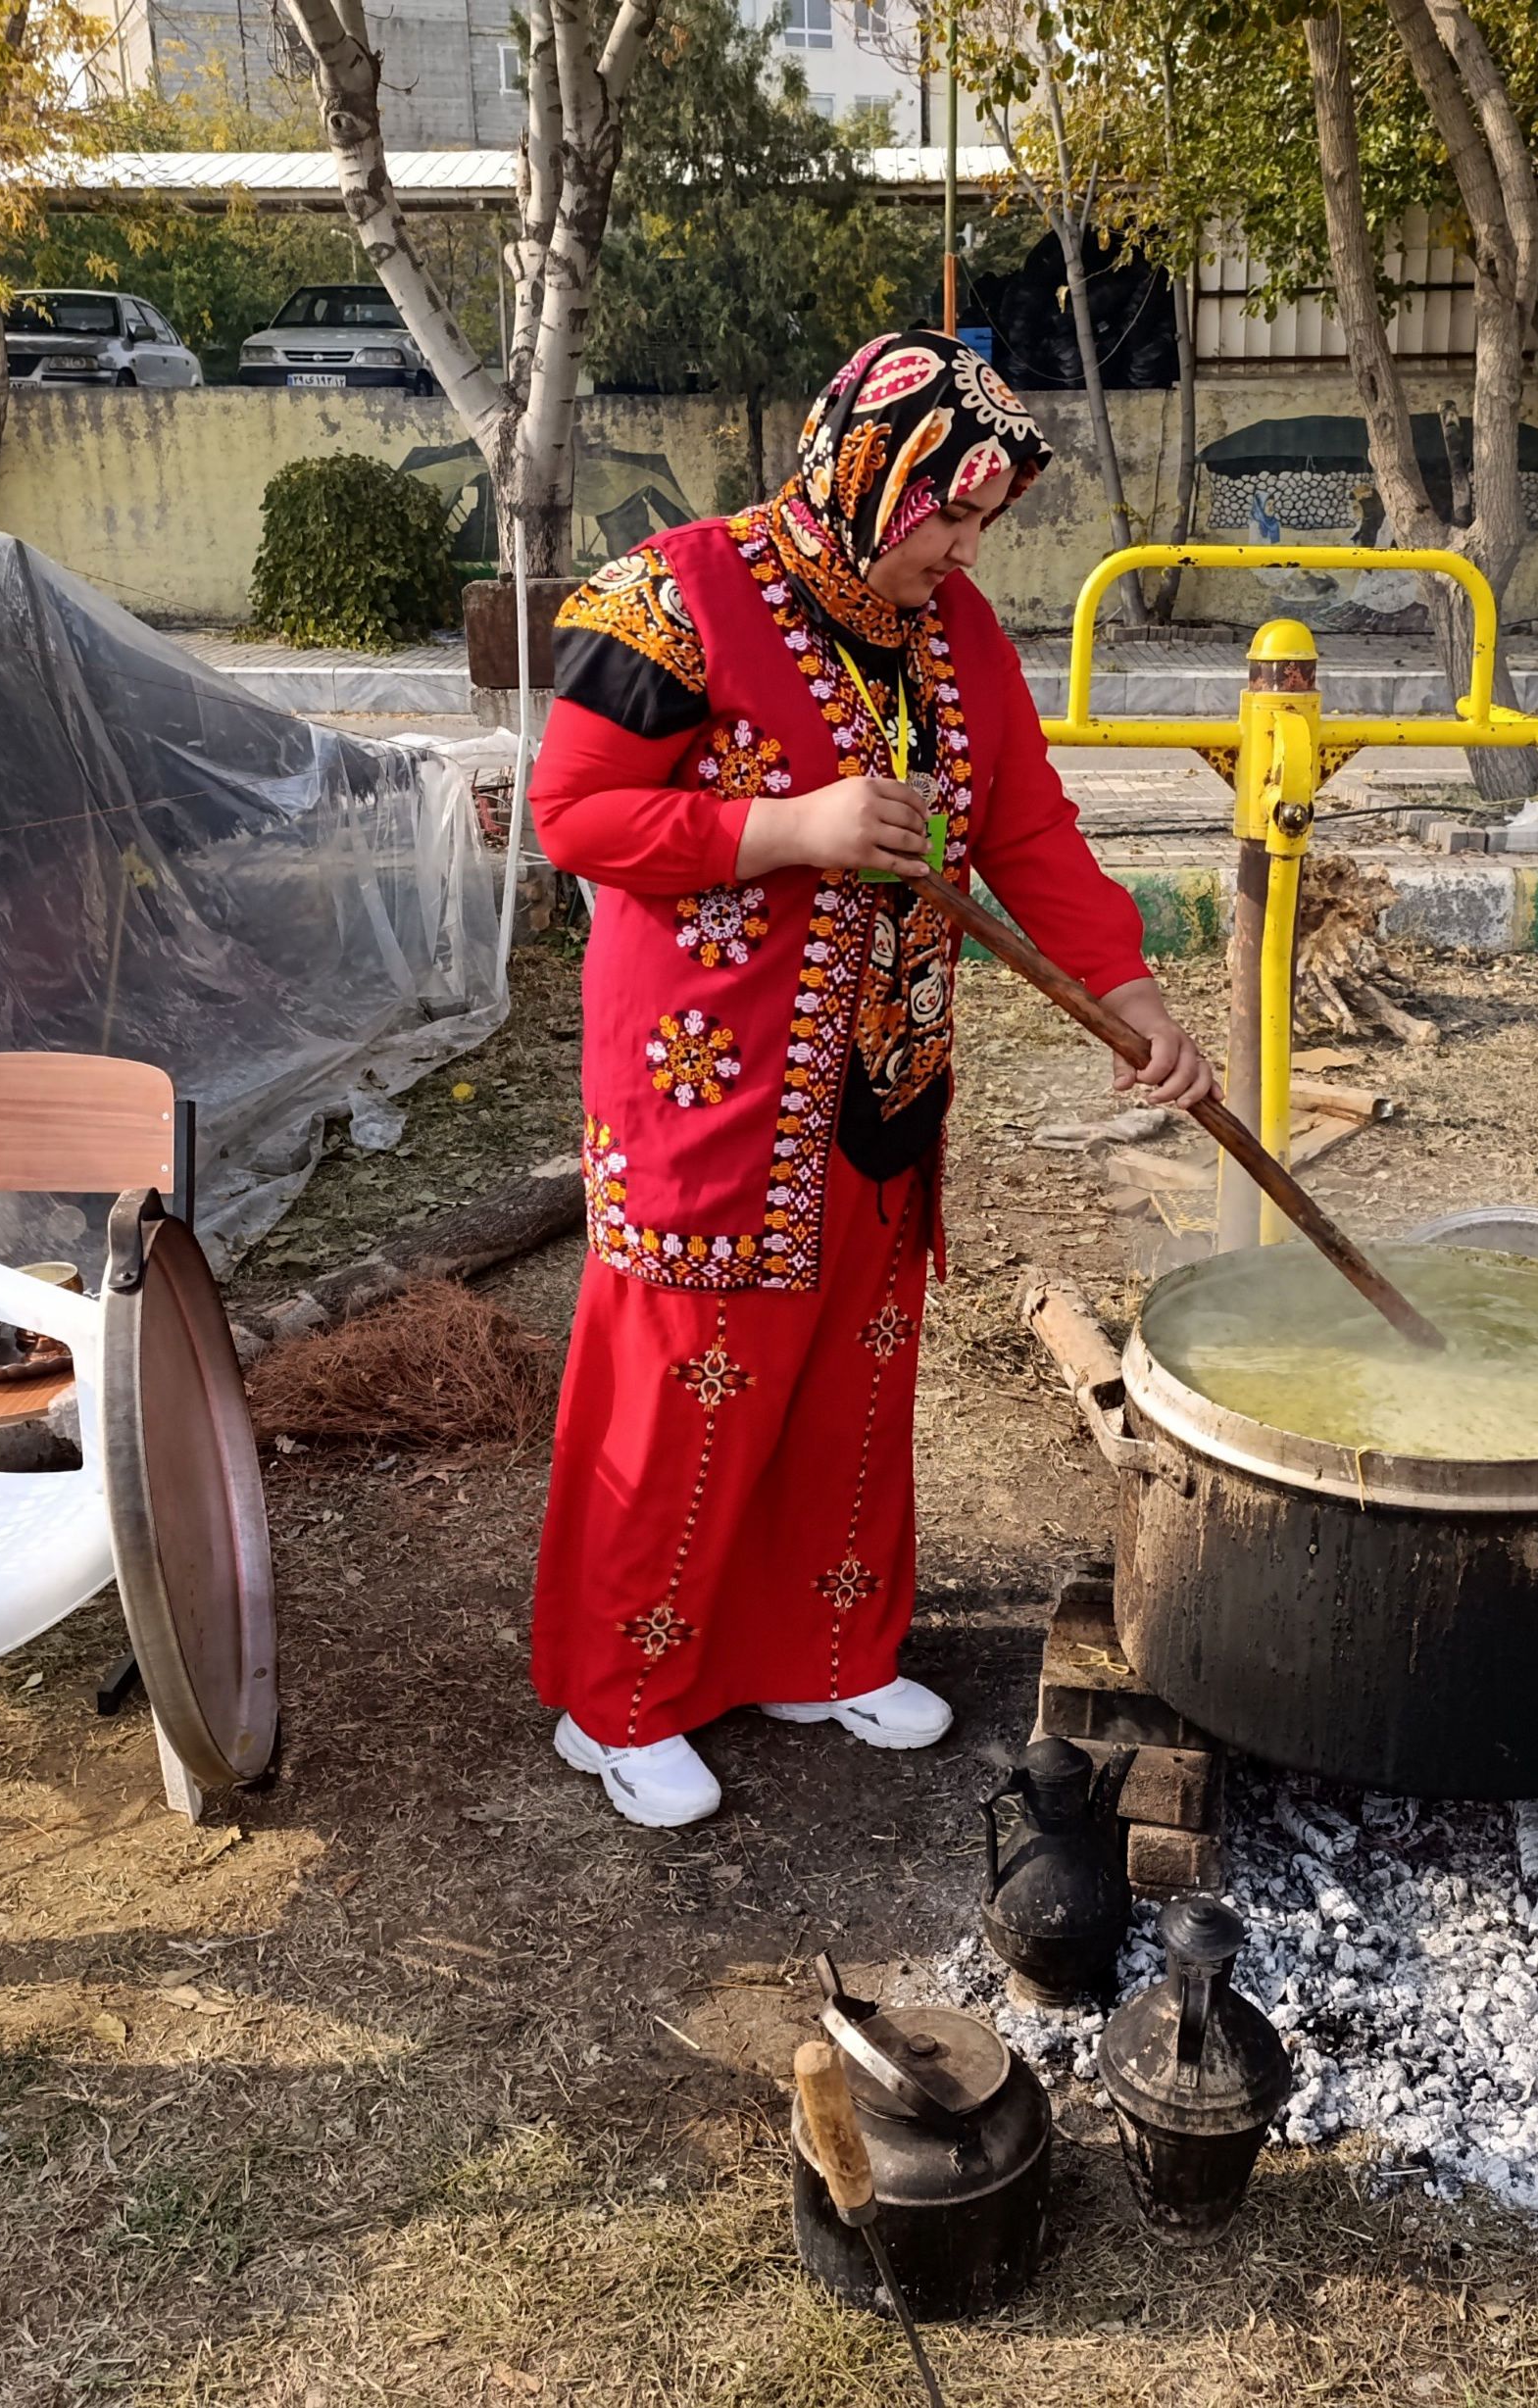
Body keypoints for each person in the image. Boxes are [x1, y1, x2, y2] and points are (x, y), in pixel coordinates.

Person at [525, 330, 1214, 1827]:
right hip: (712, 1081)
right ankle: (622, 1697)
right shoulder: (672, 597)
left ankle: (819, 1649)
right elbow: (572, 812)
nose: (965, 552)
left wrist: (1133, 999)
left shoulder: (957, 639)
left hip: (883, 1078)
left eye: (981, 526)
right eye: (949, 516)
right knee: (695, 1380)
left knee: (850, 1369)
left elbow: (1028, 830)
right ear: (865, 469)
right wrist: (789, 831)